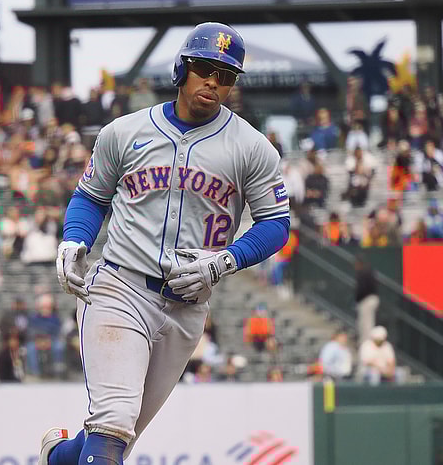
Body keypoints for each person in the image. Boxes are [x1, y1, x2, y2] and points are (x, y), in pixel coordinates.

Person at [44, 23, 290, 465]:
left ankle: (57, 457)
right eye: (203, 68)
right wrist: (73, 239)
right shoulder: (124, 131)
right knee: (114, 421)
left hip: (187, 306)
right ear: (181, 69)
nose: (212, 81)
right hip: (121, 287)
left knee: (117, 436)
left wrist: (227, 260)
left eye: (225, 75)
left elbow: (276, 223)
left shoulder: (252, 147)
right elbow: (91, 196)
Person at [354, 255, 379, 345]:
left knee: (366, 325)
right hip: (372, 299)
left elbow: (362, 289)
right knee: (366, 324)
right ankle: (367, 343)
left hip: (367, 300)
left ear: (359, 263)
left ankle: (367, 344)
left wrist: (357, 299)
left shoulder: (363, 272)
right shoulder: (369, 271)